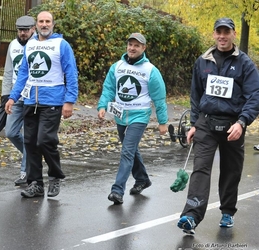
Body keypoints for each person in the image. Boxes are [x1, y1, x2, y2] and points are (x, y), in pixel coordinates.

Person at [177, 18, 259, 235]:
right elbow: (195, 94)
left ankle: (228, 212)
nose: (222, 36)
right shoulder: (202, 61)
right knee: (201, 168)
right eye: (218, 32)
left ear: (233, 34)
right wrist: (194, 124)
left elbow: (254, 96)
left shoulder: (245, 64)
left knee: (231, 170)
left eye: (227, 32)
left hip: (233, 124)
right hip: (206, 122)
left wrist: (242, 122)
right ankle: (191, 216)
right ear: (214, 34)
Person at [4, 11, 78, 198]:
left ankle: (55, 177)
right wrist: (12, 97)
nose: (44, 24)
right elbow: (23, 74)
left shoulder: (61, 45)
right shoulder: (30, 44)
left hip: (52, 101)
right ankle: (35, 183)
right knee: (30, 143)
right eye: (41, 21)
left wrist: (69, 101)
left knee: (45, 140)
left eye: (48, 21)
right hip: (30, 101)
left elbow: (71, 74)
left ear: (53, 24)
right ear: (36, 25)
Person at [97, 32, 168, 205]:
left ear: (143, 48)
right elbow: (108, 88)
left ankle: (117, 190)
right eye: (130, 44)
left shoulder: (151, 70)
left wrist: (163, 121)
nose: (132, 48)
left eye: (137, 45)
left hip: (140, 116)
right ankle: (142, 179)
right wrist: (102, 105)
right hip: (120, 114)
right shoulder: (117, 66)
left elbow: (159, 98)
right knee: (131, 150)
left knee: (127, 152)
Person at [1, 15, 36, 186]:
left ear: (33, 30)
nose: (23, 33)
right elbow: (8, 71)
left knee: (29, 135)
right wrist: (5, 95)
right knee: (11, 132)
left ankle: (25, 173)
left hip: (32, 97)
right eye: (20, 30)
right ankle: (32, 155)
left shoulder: (38, 45)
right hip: (15, 96)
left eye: (26, 30)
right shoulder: (12, 45)